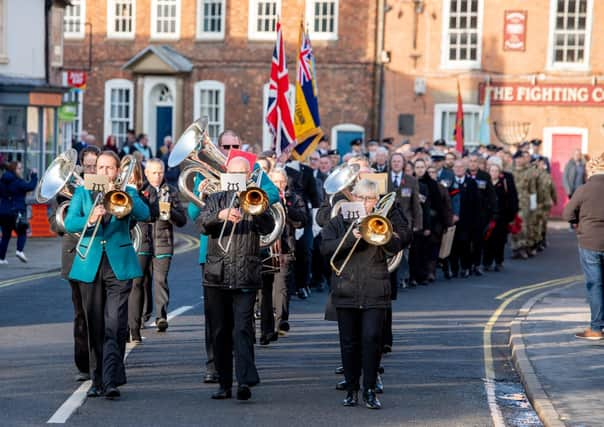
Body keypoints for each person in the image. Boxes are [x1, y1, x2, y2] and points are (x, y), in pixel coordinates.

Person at [64, 151, 150, 399]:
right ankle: (97, 379)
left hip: (118, 265)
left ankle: (111, 380)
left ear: (117, 171)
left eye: (109, 168)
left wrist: (127, 194)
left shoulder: (127, 192)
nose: (103, 171)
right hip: (89, 265)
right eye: (100, 167)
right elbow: (69, 223)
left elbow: (145, 214)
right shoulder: (82, 193)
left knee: (115, 324)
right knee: (95, 326)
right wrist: (89, 218)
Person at [321, 179, 407, 409]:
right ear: (354, 199)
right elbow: (325, 249)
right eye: (361, 197)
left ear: (376, 201)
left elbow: (395, 248)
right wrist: (353, 236)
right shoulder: (339, 222)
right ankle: (351, 389)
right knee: (349, 343)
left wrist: (385, 233)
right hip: (346, 289)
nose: (365, 202)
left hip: (375, 291)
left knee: (371, 340)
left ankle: (369, 389)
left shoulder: (383, 222)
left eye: (370, 199)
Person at [197, 157, 275, 401]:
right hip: (216, 274)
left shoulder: (255, 196)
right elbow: (200, 224)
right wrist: (220, 215)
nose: (237, 176)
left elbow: (268, 227)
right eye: (233, 172)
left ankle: (244, 382)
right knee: (220, 331)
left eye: (242, 173)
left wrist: (257, 208)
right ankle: (224, 383)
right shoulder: (214, 199)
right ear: (226, 173)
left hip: (245, 273)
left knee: (242, 329)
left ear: (248, 175)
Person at [47, 146, 100, 381]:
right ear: (80, 166)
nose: (90, 170)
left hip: (100, 253)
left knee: (100, 312)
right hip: (74, 253)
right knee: (81, 313)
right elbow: (54, 224)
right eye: (87, 166)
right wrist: (71, 218)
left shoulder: (106, 186)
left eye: (94, 166)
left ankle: (102, 361)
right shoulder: (65, 191)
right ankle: (83, 364)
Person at [128, 159, 186, 340]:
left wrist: (171, 214)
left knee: (160, 279)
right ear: (146, 173)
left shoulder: (172, 191)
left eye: (160, 172)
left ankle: (161, 316)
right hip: (144, 240)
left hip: (163, 241)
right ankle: (143, 315)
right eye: (154, 172)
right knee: (142, 281)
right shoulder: (139, 191)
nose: (158, 176)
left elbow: (182, 220)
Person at [563, 152, 604, 340]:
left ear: (592, 170)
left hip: (590, 242)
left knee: (595, 284)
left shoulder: (584, 189)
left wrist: (577, 222)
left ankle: (596, 328)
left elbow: (567, 214)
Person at [264, 168, 307, 340]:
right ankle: (267, 326)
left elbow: (302, 221)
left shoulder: (294, 198)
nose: (279, 185)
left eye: (282, 182)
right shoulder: (264, 197)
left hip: (286, 248)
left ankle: (280, 322)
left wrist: (287, 209)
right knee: (266, 289)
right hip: (267, 248)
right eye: (275, 182)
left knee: (281, 287)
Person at [447, 160, 480, 278]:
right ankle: (454, 269)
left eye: (461, 167)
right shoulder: (448, 183)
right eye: (456, 167)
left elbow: (476, 204)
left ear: (465, 169)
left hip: (467, 221)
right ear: (453, 169)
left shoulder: (471, 183)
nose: (459, 169)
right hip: (452, 221)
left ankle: (466, 267)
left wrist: (475, 222)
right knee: (453, 246)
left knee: (465, 245)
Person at [483, 159, 518, 271]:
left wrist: (511, 216)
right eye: (491, 171)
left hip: (502, 217)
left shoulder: (504, 184)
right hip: (488, 216)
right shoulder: (485, 185)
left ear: (499, 173)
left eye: (496, 171)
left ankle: (499, 262)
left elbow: (512, 199)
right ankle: (487, 262)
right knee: (487, 240)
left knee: (500, 240)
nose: (493, 173)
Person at [0, 162, 38, 264]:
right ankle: (19, 251)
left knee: (5, 236)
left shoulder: (2, 181)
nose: (21, 170)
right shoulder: (17, 182)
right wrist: (34, 176)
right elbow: (30, 186)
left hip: (3, 212)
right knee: (22, 232)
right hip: (16, 212)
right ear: (14, 169)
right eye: (19, 168)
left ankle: (1, 259)